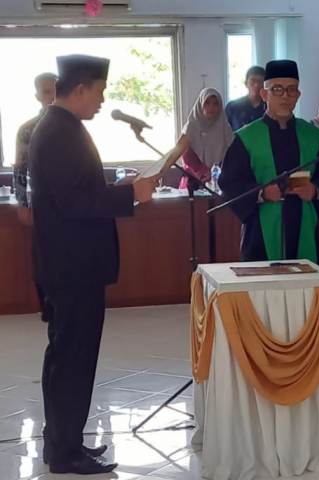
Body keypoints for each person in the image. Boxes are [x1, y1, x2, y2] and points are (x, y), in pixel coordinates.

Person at [29, 54, 157, 474]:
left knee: (65, 357)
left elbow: (78, 190)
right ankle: (65, 452)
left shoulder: (61, 127)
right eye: (99, 92)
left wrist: (117, 187)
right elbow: (75, 203)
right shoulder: (59, 132)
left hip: (70, 266)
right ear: (80, 89)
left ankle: (62, 442)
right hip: (73, 268)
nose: (102, 100)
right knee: (73, 360)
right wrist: (130, 195)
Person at [219, 60, 319, 264]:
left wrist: (315, 190)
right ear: (264, 94)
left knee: (304, 282)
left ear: (298, 95)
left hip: (304, 223)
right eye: (277, 89)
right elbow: (229, 182)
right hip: (261, 229)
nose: (285, 96)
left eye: (291, 90)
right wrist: (261, 193)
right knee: (263, 283)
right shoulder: (247, 137)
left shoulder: (312, 135)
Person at [13, 72, 57, 323]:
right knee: (44, 257)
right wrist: (22, 203)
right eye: (47, 91)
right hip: (41, 200)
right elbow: (19, 168)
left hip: (72, 202)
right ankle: (47, 308)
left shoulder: (75, 126)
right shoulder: (27, 129)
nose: (52, 96)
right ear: (37, 96)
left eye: (56, 90)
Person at [175, 88, 233, 190]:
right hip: (194, 182)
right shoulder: (192, 126)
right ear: (201, 104)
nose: (211, 107)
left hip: (220, 180)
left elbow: (232, 153)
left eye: (215, 104)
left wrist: (216, 172)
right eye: (207, 103)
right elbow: (185, 153)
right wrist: (203, 172)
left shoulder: (224, 127)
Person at [225, 65, 266, 131]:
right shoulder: (232, 107)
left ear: (265, 85)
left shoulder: (270, 107)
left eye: (260, 81)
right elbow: (224, 132)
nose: (256, 85)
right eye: (253, 81)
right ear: (246, 83)